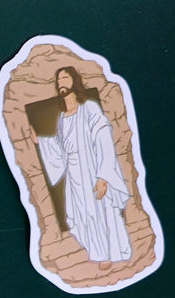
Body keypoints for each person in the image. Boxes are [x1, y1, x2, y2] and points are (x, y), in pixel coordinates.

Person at [37, 67, 132, 267]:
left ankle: (108, 254)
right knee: (81, 215)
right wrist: (40, 141)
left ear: (75, 81)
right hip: (73, 175)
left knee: (99, 211)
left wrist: (103, 176)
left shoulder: (89, 108)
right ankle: (97, 253)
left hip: (91, 169)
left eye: (65, 77)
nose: (60, 82)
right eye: (58, 79)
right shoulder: (62, 118)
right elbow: (60, 147)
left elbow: (103, 139)